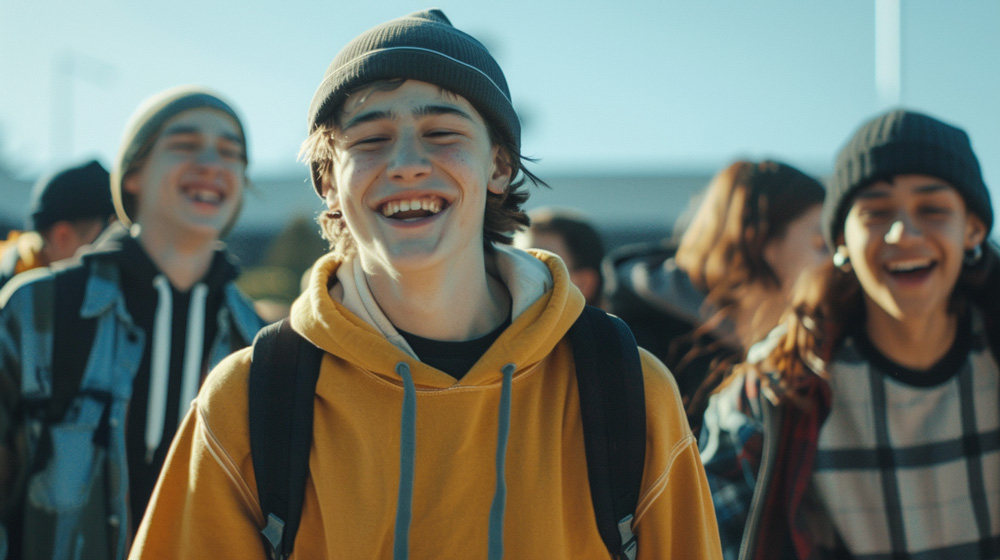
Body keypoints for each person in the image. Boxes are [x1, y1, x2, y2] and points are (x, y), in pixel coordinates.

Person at [132, 9, 722, 559]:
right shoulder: (249, 400)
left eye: (443, 132)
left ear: (498, 165)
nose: (407, 162)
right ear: (328, 183)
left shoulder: (626, 389)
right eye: (370, 139)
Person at [699, 109, 1000, 559]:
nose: (904, 232)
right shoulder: (771, 391)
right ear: (840, 239)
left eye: (933, 209)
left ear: (973, 229)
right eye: (876, 212)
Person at [0, 86, 265, 560]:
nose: (212, 163)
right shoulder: (38, 309)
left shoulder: (261, 346)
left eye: (231, 152)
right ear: (134, 174)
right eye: (185, 144)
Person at [604, 160, 827, 430]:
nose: (834, 261)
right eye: (820, 244)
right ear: (759, 239)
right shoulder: (634, 346)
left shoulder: (799, 343)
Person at [0, 159, 114, 289]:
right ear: (63, 236)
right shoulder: (29, 300)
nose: (117, 250)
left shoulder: (23, 287)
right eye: (109, 235)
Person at [515, 207, 606, 306]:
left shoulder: (612, 321)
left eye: (539, 263)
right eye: (518, 259)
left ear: (583, 284)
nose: (520, 272)